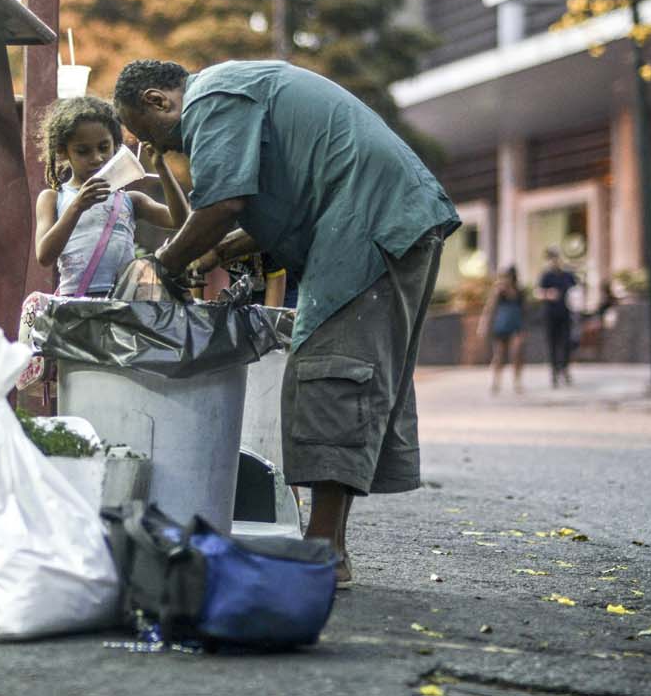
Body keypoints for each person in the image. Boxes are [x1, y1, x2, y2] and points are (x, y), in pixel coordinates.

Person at [113, 58, 459, 587]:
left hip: (370, 219)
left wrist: (164, 262)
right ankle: (327, 547)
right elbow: (276, 201)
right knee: (339, 374)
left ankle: (324, 552)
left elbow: (225, 201)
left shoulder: (212, 98)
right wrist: (216, 253)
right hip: (379, 215)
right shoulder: (240, 86)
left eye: (151, 135)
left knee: (332, 374)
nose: (165, 151)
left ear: (160, 100)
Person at [33, 96, 188, 296]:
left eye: (104, 148)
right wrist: (77, 207)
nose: (97, 158)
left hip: (123, 300)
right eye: (83, 151)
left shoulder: (131, 200)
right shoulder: (53, 198)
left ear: (116, 145)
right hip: (76, 304)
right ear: (63, 152)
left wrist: (161, 166)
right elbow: (44, 256)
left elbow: (180, 220)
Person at [478, 267, 526, 395]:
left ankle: (517, 382)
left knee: (517, 353)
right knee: (499, 355)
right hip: (501, 326)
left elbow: (523, 310)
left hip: (516, 325)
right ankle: (495, 381)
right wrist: (484, 325)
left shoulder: (519, 291)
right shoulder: (498, 292)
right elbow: (489, 309)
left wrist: (524, 329)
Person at [537, 247, 578, 387]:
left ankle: (565, 369)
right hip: (550, 314)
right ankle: (554, 371)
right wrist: (548, 294)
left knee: (566, 342)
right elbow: (539, 292)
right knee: (552, 343)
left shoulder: (567, 275)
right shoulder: (546, 276)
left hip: (566, 313)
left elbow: (577, 289)